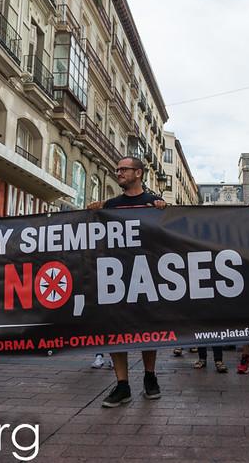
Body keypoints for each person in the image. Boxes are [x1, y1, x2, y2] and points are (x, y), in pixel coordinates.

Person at [87, 156, 167, 407]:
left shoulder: (153, 203)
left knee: (148, 329)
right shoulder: (111, 204)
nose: (118, 172)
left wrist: (162, 210)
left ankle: (149, 377)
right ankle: (122, 385)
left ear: (139, 173)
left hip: (145, 274)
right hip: (115, 274)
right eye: (118, 169)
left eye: (124, 169)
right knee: (115, 329)